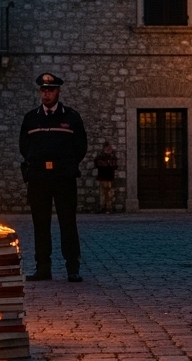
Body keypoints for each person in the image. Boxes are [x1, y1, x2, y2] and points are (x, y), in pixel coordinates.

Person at [19, 72, 89, 282]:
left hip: (63, 178)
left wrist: (68, 164)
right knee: (40, 224)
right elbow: (24, 146)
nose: (46, 94)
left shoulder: (71, 117)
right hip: (39, 178)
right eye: (43, 90)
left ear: (58, 91)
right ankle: (43, 268)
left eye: (50, 90)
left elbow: (81, 146)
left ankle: (72, 268)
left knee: (68, 222)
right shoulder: (31, 118)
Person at [94, 142, 118, 213]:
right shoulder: (104, 157)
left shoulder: (109, 157)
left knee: (107, 193)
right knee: (105, 193)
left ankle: (106, 207)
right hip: (105, 177)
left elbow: (114, 166)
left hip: (108, 177)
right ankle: (105, 207)